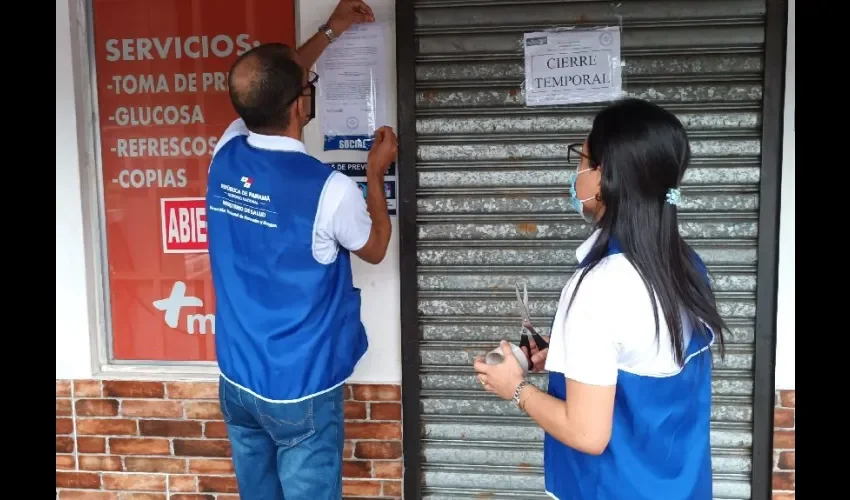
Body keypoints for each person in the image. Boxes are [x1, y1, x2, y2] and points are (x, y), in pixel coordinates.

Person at [473, 98, 727, 500]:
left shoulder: (600, 285)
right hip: (682, 488)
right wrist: (565, 356)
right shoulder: (687, 265)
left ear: (605, 177)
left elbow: (587, 433)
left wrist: (515, 387)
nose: (576, 173)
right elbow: (646, 357)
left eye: (583, 158)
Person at [204, 1, 398, 498]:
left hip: (238, 377)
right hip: (301, 388)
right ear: (300, 106)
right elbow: (375, 247)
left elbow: (276, 79)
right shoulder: (329, 188)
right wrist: (374, 175)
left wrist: (330, 32)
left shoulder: (224, 152)